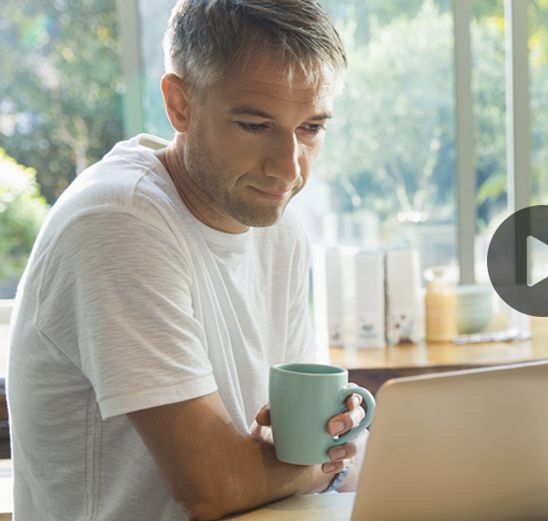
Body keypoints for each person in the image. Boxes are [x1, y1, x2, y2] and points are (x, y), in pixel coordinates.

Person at [6, 1, 364, 519]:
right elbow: (211, 489)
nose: (289, 169)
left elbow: (282, 447)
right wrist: (325, 464)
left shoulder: (279, 228)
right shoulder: (118, 221)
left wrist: (330, 439)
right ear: (180, 105)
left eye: (310, 128)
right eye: (254, 125)